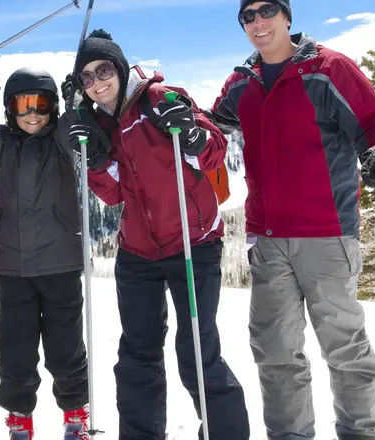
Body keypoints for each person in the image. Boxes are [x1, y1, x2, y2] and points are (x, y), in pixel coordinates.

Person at [208, 0, 375, 440]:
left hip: (327, 234)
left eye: (266, 11)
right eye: (248, 16)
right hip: (267, 239)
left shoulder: (327, 69)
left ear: (287, 16)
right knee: (275, 352)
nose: (257, 22)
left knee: (345, 350)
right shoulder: (242, 82)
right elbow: (211, 129)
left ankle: (360, 434)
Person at [68, 30, 250, 440]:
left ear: (118, 66)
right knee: (137, 355)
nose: (97, 82)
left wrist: (191, 134)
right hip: (137, 252)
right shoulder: (97, 124)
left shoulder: (161, 97)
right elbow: (114, 194)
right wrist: (94, 161)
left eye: (103, 70)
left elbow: (214, 150)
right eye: (87, 78)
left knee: (197, 350)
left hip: (193, 241)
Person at [0, 68, 89, 440]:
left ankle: (75, 413)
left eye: (43, 104)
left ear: (54, 107)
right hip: (14, 270)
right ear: (9, 109)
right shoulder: (1, 145)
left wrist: (74, 94)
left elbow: (79, 119)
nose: (33, 114)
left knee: (65, 349)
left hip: (60, 266)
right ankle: (19, 418)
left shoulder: (62, 141)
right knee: (15, 350)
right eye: (23, 105)